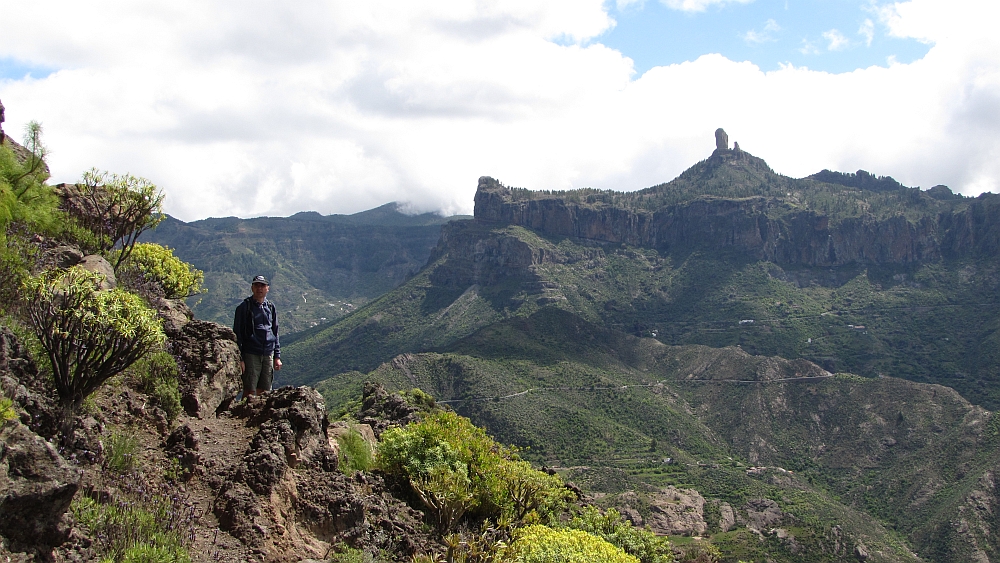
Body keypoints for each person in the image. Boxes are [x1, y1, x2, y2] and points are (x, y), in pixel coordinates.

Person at [233, 275, 282, 399]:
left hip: (268, 354)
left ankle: (259, 416)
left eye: (262, 286)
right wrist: (240, 359)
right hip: (250, 353)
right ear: (252, 288)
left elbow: (275, 332)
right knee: (249, 390)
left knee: (265, 391)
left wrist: (277, 356)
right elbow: (237, 334)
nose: (259, 288)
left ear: (267, 288)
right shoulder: (244, 307)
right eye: (256, 285)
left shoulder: (270, 307)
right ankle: (243, 414)